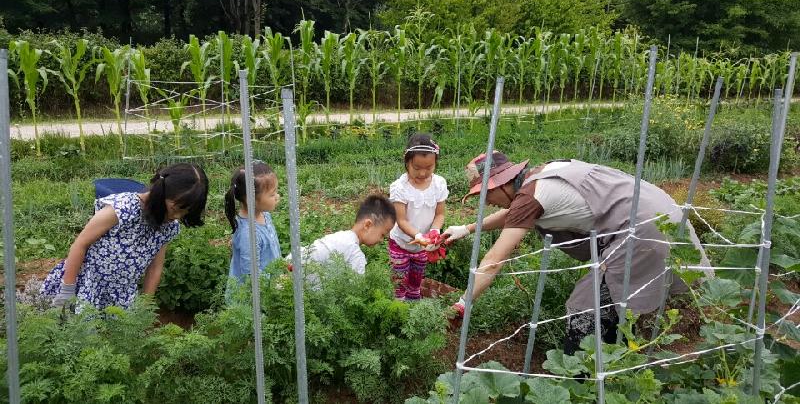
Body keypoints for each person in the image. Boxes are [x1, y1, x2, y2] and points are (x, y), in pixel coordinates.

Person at [443, 153, 710, 354]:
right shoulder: (543, 174)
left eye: (485, 194)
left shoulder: (531, 197)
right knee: (611, 303)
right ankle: (616, 354)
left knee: (587, 308)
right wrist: (467, 229)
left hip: (641, 230)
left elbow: (493, 260)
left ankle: (584, 376)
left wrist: (463, 304)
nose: (486, 202)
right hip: (663, 211)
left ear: (501, 184)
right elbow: (515, 213)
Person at [41, 163, 209, 310]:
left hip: (121, 297)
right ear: (161, 193)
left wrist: (144, 308)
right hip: (85, 285)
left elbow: (155, 268)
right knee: (74, 333)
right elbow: (81, 244)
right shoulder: (122, 208)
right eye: (175, 208)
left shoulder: (167, 226)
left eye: (185, 212)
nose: (177, 216)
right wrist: (67, 291)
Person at [388, 133, 449, 301]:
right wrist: (418, 236)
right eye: (416, 168)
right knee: (399, 280)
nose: (422, 173)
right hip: (401, 243)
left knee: (416, 279)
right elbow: (401, 220)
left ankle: (414, 302)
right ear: (407, 162)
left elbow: (440, 214)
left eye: (429, 167)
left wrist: (434, 231)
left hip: (423, 246)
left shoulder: (438, 184)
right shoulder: (400, 187)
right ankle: (399, 306)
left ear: (435, 162)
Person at [293, 194, 396, 274]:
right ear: (367, 225)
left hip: (291, 265)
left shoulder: (340, 236)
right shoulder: (355, 254)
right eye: (382, 235)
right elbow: (356, 289)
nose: (381, 240)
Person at [224, 161, 282, 297]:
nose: (277, 196)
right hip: (250, 298)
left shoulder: (264, 215)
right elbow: (251, 275)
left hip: (267, 289)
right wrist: (276, 285)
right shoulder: (249, 234)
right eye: (272, 194)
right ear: (251, 199)